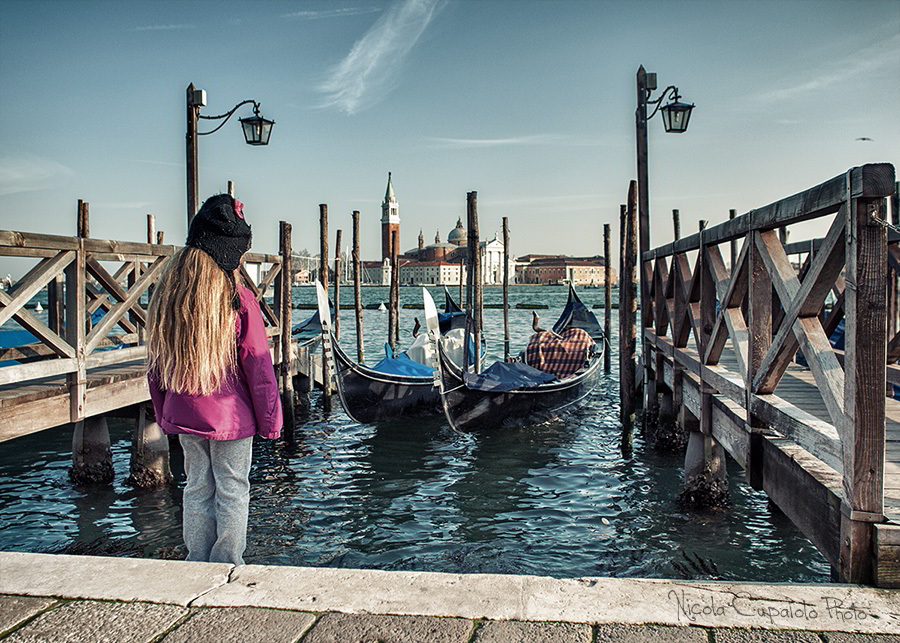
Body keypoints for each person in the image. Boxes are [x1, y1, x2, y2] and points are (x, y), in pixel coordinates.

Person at [146, 194, 282, 565]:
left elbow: (156, 366)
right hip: (231, 419)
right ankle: (226, 563)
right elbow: (258, 368)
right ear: (228, 254)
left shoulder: (169, 298)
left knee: (196, 486)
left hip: (186, 413)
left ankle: (196, 560)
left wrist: (164, 413)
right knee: (232, 488)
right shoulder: (238, 300)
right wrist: (271, 422)